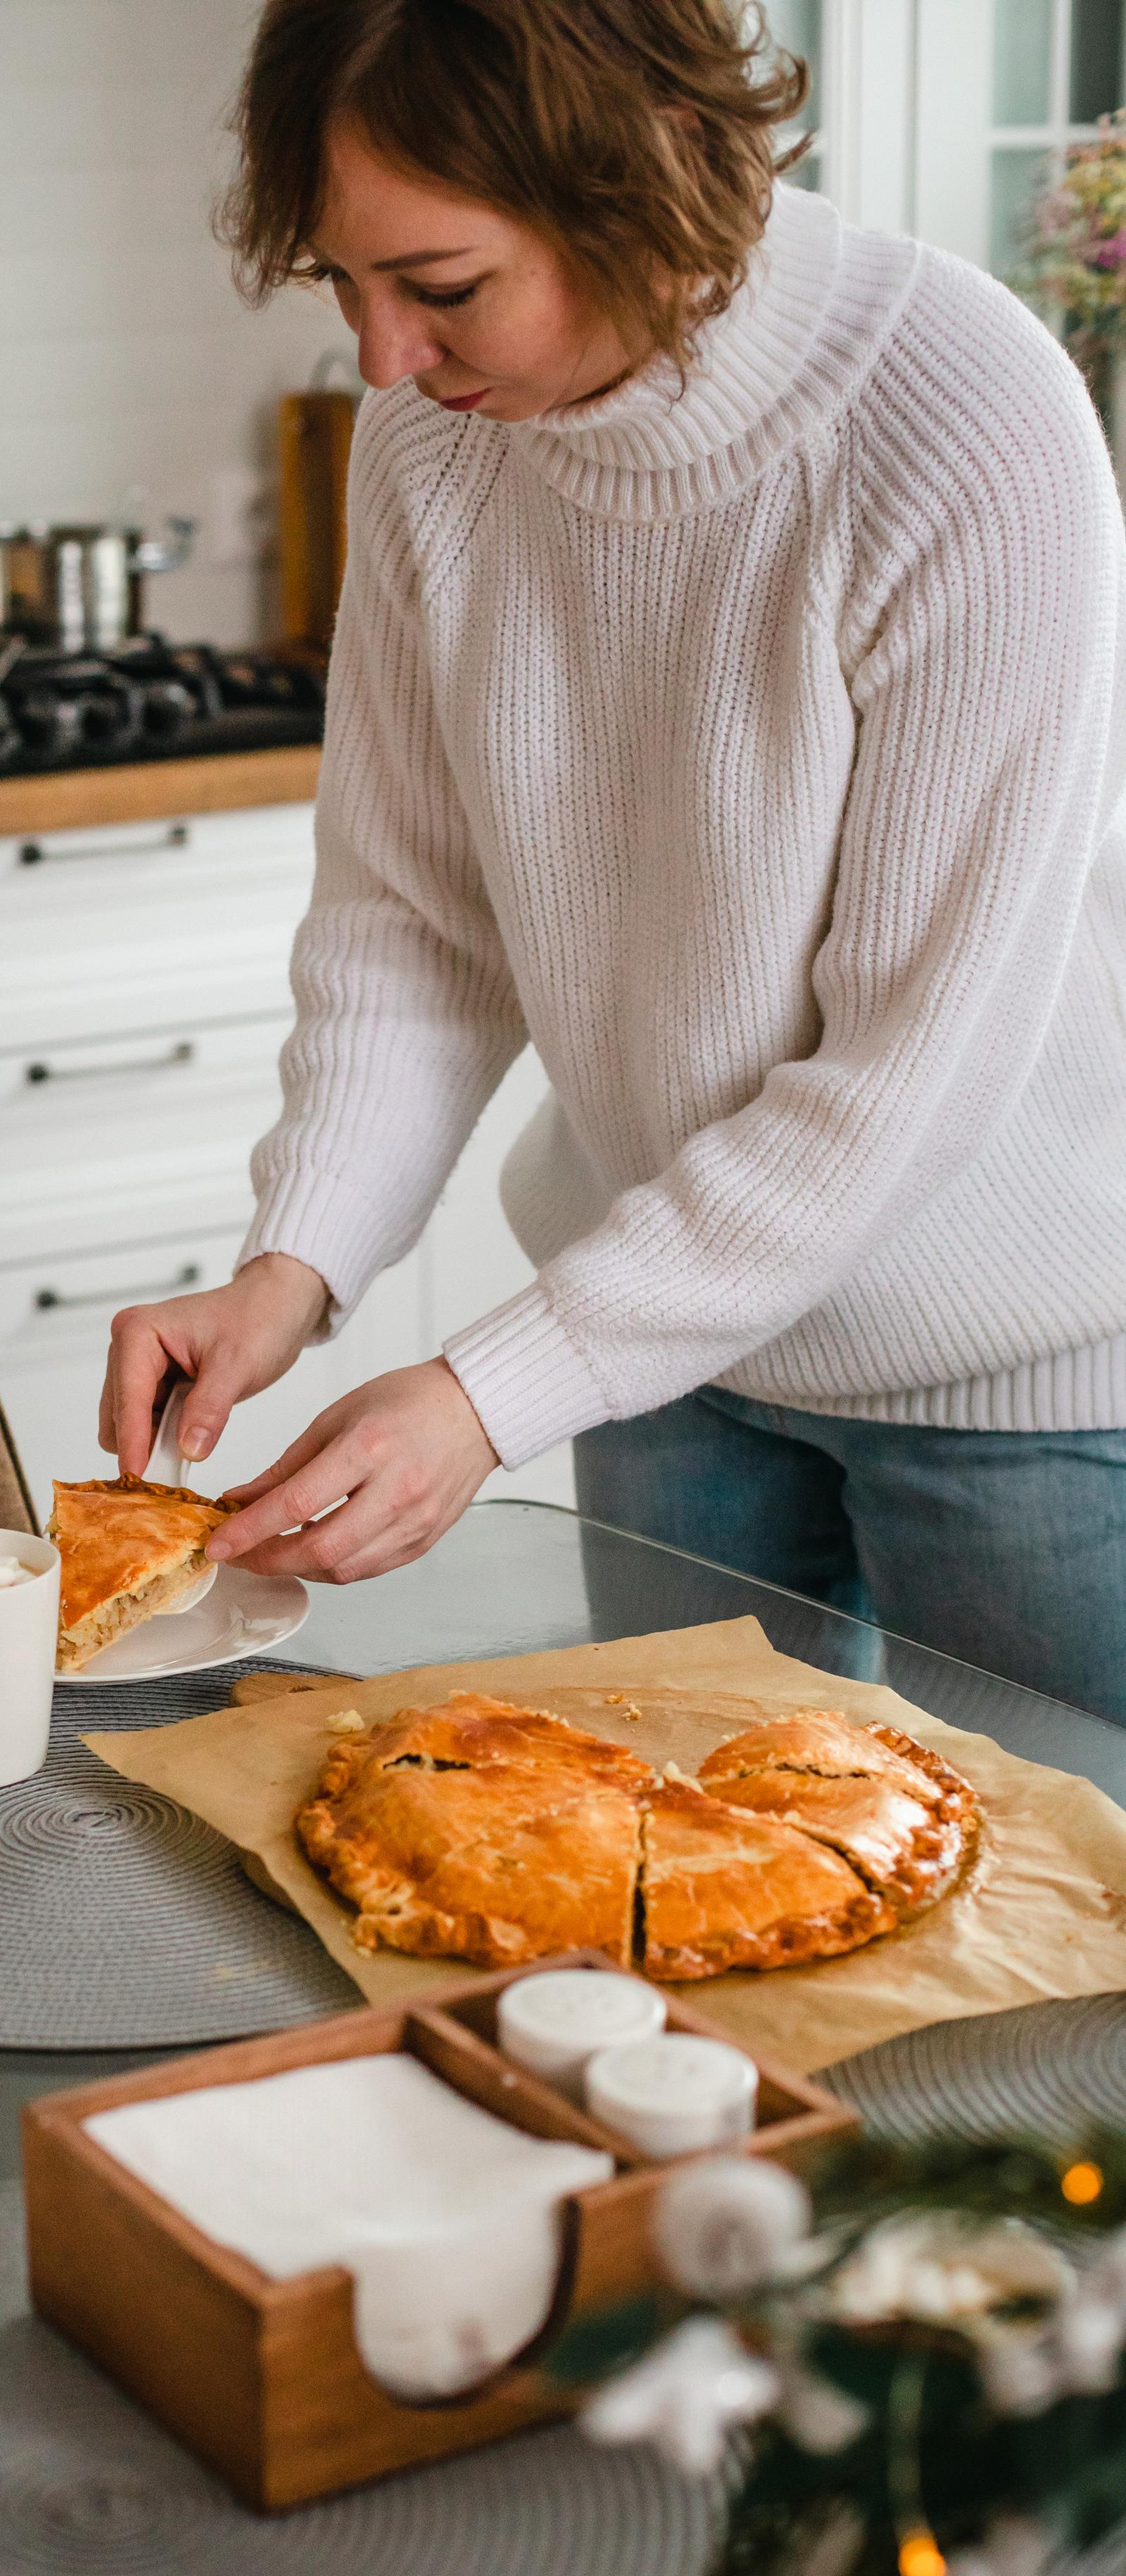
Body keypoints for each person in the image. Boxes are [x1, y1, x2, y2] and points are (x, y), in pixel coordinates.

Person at [100, 0, 1126, 1724]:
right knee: (661, 1876)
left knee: (1062, 1901)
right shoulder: (434, 443)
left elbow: (904, 1075)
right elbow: (413, 925)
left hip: (1018, 1381)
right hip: (663, 1362)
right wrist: (293, 1264)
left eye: (438, 285)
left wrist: (490, 1392)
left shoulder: (960, 420)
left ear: (640, 180)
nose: (381, 359)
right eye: (339, 283)